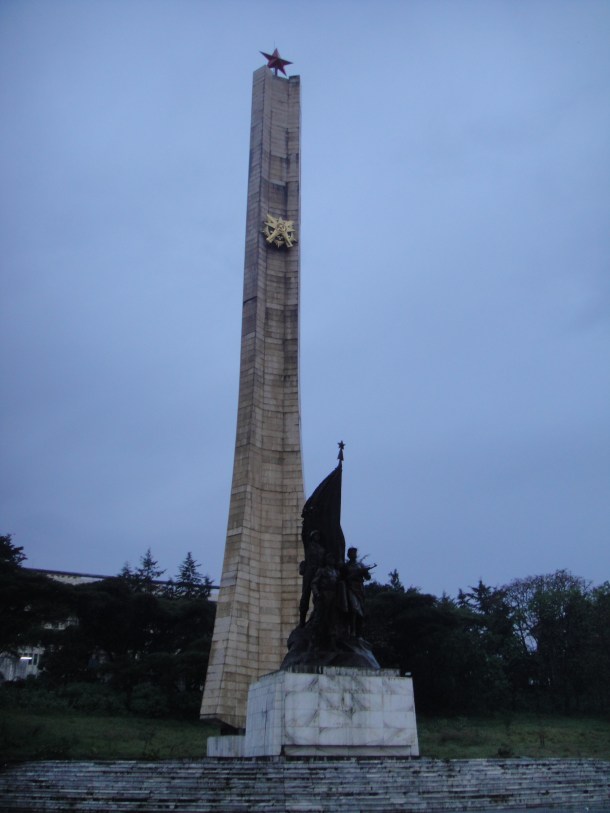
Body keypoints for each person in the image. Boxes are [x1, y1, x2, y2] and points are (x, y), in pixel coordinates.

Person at [342, 547, 373, 638]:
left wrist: (365, 572)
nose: (353, 555)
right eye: (351, 553)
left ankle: (358, 632)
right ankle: (352, 630)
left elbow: (368, 577)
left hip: (359, 588)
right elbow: (343, 578)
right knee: (353, 608)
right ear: (348, 555)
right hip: (350, 588)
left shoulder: (360, 565)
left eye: (354, 553)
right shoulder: (346, 566)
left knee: (361, 611)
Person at [298, 529, 326, 626]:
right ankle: (302, 619)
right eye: (315, 535)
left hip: (318, 573)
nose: (317, 537)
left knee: (318, 595)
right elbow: (304, 535)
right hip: (309, 571)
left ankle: (317, 618)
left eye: (318, 536)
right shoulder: (308, 546)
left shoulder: (322, 549)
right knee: (305, 594)